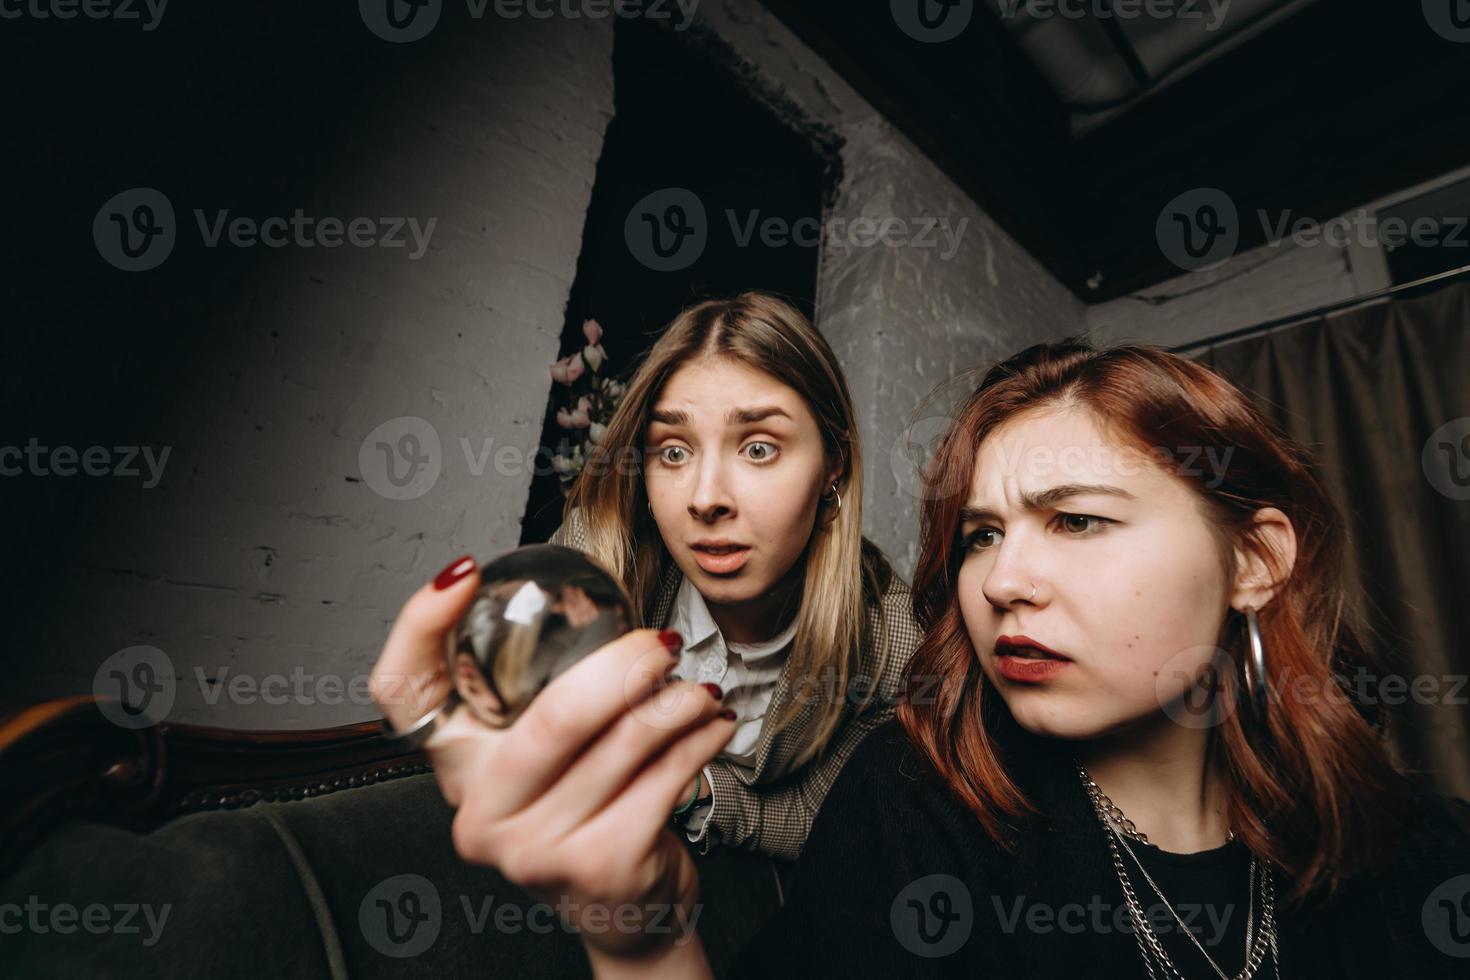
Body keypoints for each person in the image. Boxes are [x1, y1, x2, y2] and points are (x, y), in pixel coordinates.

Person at [373, 339, 1470, 978]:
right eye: (983, 533)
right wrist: (643, 929)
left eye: (1076, 519)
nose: (1000, 581)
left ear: (1254, 561)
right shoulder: (913, 807)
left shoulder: (1416, 851)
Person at [378, 291, 920, 860]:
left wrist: (689, 791)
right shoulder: (600, 552)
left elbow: (823, 816)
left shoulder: (893, 640)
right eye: (674, 451)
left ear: (833, 461)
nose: (706, 499)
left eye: (758, 448)